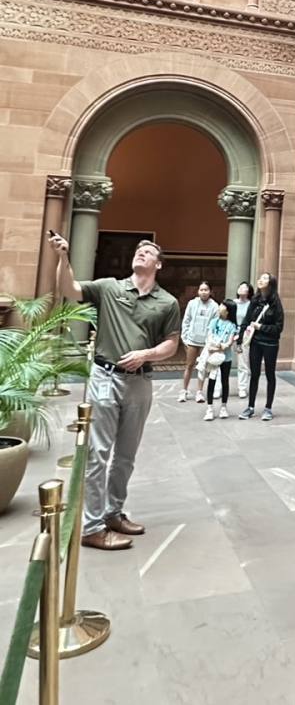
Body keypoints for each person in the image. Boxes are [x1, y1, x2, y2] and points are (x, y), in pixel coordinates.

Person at [50, 234, 180, 551]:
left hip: (140, 383)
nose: (141, 254)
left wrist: (145, 355)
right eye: (138, 251)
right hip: (105, 377)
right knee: (98, 455)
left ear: (158, 264)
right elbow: (70, 289)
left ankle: (112, 513)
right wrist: (63, 258)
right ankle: (92, 527)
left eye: (148, 252)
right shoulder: (110, 287)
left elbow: (171, 345)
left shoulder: (168, 302)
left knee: (125, 457)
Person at [238, 273, 284, 420]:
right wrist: (240, 339)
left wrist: (261, 327)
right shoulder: (255, 301)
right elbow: (246, 320)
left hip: (270, 343)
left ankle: (268, 408)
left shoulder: (276, 303)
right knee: (254, 374)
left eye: (264, 278)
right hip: (255, 342)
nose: (260, 280)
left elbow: (279, 327)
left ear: (271, 283)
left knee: (270, 374)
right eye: (261, 278)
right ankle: (250, 407)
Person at [179, 282, 218, 403]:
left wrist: (211, 342)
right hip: (192, 340)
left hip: (205, 342)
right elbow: (186, 320)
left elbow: (214, 325)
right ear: (198, 291)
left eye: (206, 290)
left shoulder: (215, 306)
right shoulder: (192, 303)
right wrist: (184, 337)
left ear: (210, 291)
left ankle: (199, 392)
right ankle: (184, 391)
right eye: (201, 290)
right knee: (189, 365)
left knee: (202, 368)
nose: (203, 292)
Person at [202, 299, 238, 421]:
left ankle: (223, 407)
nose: (220, 306)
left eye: (223, 305)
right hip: (213, 356)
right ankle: (209, 408)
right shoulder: (214, 322)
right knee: (211, 380)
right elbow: (209, 337)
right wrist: (215, 346)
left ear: (228, 311)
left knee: (225, 381)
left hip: (225, 357)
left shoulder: (232, 326)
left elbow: (228, 343)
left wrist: (220, 346)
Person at [234, 281, 253, 400]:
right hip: (230, 333)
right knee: (222, 361)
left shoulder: (251, 305)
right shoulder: (232, 303)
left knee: (243, 363)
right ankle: (218, 388)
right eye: (240, 286)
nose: (241, 288)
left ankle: (242, 388)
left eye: (244, 287)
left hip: (244, 335)